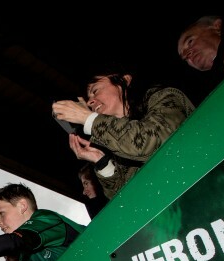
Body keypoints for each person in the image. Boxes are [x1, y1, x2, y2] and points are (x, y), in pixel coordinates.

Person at [52, 66, 194, 199]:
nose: (90, 102)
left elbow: (149, 142)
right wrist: (101, 161)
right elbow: (122, 197)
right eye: (88, 98)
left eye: (95, 91)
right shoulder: (114, 141)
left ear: (124, 81)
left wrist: (88, 118)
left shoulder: (165, 97)